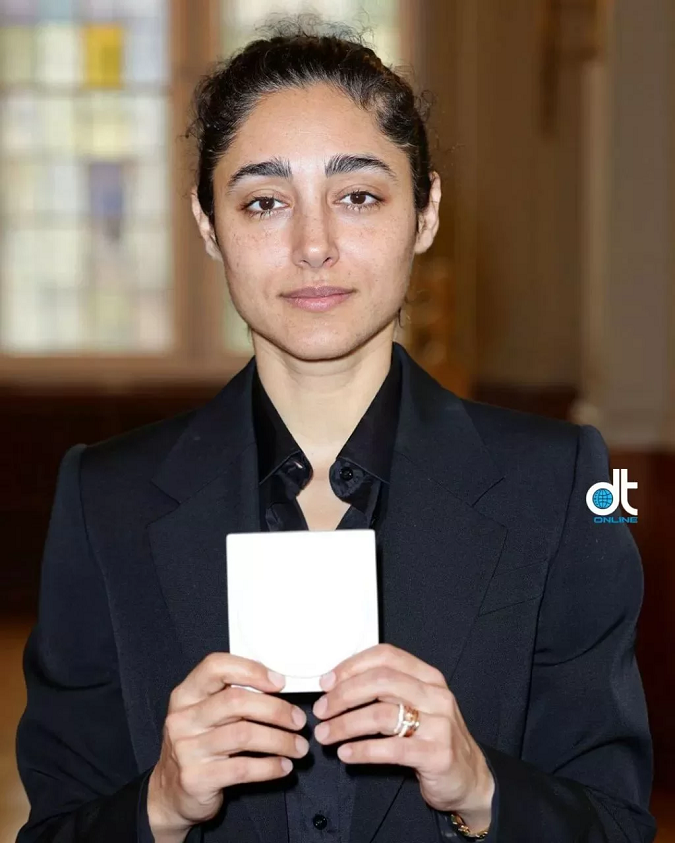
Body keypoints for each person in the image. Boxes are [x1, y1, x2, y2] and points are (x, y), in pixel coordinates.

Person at [15, 20, 656, 843]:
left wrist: (481, 787)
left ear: (424, 213)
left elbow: (615, 823)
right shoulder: (104, 497)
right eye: (264, 202)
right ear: (208, 226)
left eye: (357, 196)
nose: (313, 244)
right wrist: (159, 806)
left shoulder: (567, 483)